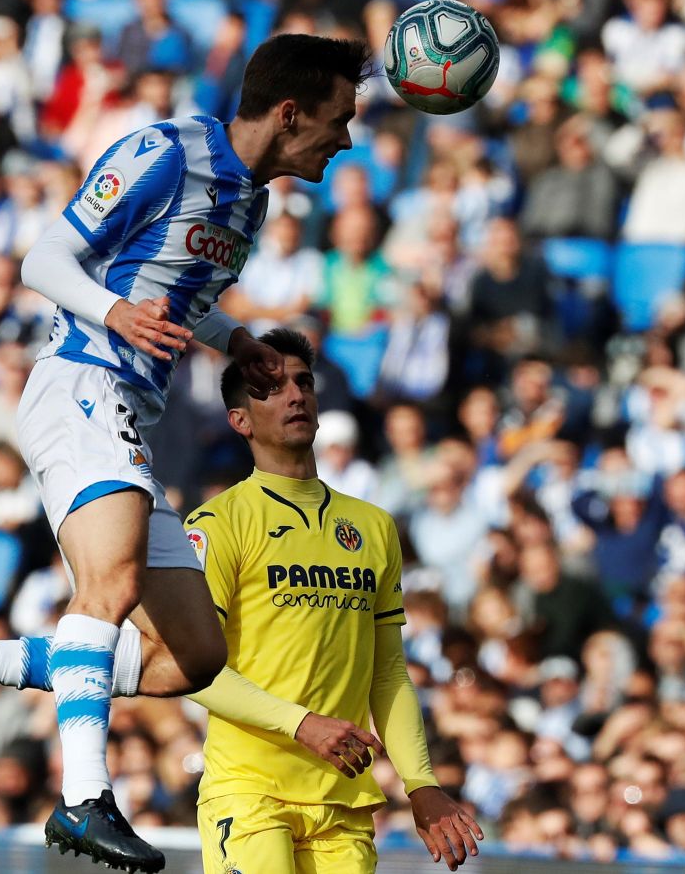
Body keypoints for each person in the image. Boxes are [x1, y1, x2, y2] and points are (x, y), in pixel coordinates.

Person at [0, 34, 373, 871]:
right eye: (337, 119)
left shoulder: (251, 204)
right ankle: (83, 801)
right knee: (111, 586)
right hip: (79, 382)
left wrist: (233, 337)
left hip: (126, 410)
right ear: (290, 113)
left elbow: (171, 295)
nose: (344, 139)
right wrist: (109, 314)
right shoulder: (165, 151)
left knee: (191, 658)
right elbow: (43, 259)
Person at [187, 328, 481, 873]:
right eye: (271, 388)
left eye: (304, 382)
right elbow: (196, 669)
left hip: (343, 804)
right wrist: (300, 723)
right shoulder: (217, 524)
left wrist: (421, 784)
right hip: (249, 793)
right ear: (240, 420)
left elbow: (388, 669)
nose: (296, 394)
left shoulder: (374, 527)